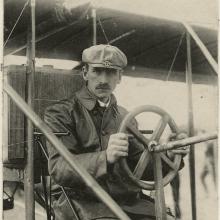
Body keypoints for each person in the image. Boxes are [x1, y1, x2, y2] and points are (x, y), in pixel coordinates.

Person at [44, 44, 189, 220]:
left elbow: (140, 169)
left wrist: (168, 153)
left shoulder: (125, 116)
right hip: (83, 203)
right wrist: (105, 157)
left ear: (119, 77)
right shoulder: (60, 113)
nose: (104, 80)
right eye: (97, 71)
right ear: (85, 73)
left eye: (111, 72)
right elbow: (59, 168)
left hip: (129, 203)